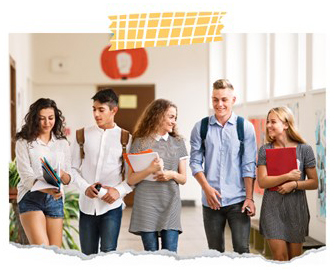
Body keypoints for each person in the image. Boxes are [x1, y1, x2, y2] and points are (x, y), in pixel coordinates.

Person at [190, 79, 257, 254]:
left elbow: (248, 165)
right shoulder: (201, 127)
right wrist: (206, 188)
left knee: (242, 249)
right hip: (211, 201)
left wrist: (249, 197)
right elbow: (195, 162)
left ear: (233, 100)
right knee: (215, 251)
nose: (219, 104)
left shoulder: (245, 127)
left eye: (224, 100)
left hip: (238, 200)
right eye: (215, 99)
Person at [71, 88, 132, 255]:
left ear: (114, 110)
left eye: (101, 110)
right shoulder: (81, 135)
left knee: (108, 254)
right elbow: (72, 169)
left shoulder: (126, 138)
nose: (96, 114)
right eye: (94, 109)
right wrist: (85, 187)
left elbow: (131, 177)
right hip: (87, 206)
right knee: (88, 254)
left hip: (112, 207)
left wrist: (118, 191)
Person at [257, 106, 318, 261]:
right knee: (280, 257)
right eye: (267, 122)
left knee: (295, 259)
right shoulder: (265, 150)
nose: (268, 125)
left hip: (296, 209)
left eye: (273, 122)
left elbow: (314, 182)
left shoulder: (305, 150)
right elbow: (262, 181)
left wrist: (294, 184)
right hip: (272, 209)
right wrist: (287, 176)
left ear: (285, 124)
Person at [127, 99, 188, 253]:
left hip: (170, 203)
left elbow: (183, 178)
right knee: (151, 255)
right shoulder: (139, 143)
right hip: (146, 203)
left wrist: (171, 174)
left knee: (170, 254)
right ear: (158, 115)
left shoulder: (178, 142)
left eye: (175, 117)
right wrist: (150, 169)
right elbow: (131, 179)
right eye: (170, 117)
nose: (174, 121)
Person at [15, 98, 72, 247]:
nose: (47, 123)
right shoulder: (24, 142)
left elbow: (68, 177)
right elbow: (26, 176)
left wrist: (61, 175)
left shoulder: (62, 143)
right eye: (42, 118)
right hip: (31, 197)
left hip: (55, 199)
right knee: (43, 250)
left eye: (51, 118)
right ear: (35, 119)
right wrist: (47, 188)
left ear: (56, 119)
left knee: (55, 253)